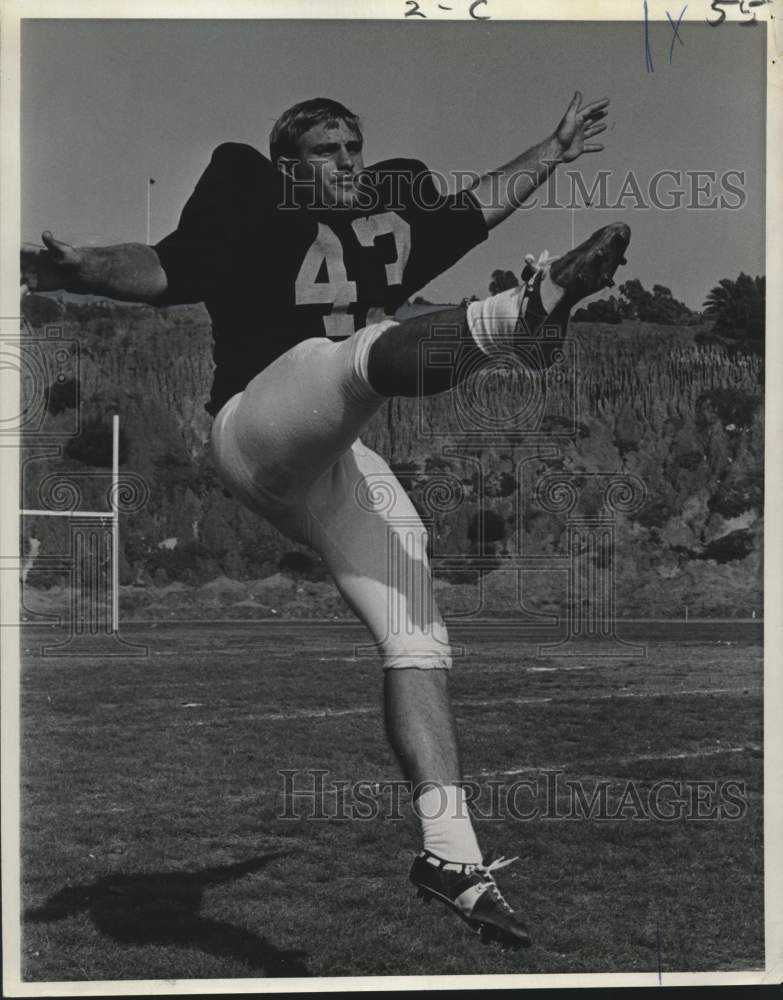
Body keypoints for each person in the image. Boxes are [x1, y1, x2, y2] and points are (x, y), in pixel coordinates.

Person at [21, 93, 630, 950]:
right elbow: (165, 267)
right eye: (322, 148)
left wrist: (552, 149)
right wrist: (74, 268)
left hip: (333, 461)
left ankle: (451, 858)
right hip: (254, 431)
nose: (345, 159)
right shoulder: (248, 194)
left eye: (352, 144)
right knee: (339, 363)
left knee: (416, 632)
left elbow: (470, 210)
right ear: (285, 164)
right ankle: (513, 317)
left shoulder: (386, 213)